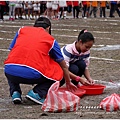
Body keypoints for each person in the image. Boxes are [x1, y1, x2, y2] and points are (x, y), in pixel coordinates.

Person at [4, 17, 77, 105]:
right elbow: (63, 65)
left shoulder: (22, 30)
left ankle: (15, 92)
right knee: (58, 70)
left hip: (10, 72)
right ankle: (37, 93)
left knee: (12, 62)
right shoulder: (51, 40)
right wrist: (68, 82)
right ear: (48, 28)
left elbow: (12, 49)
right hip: (32, 74)